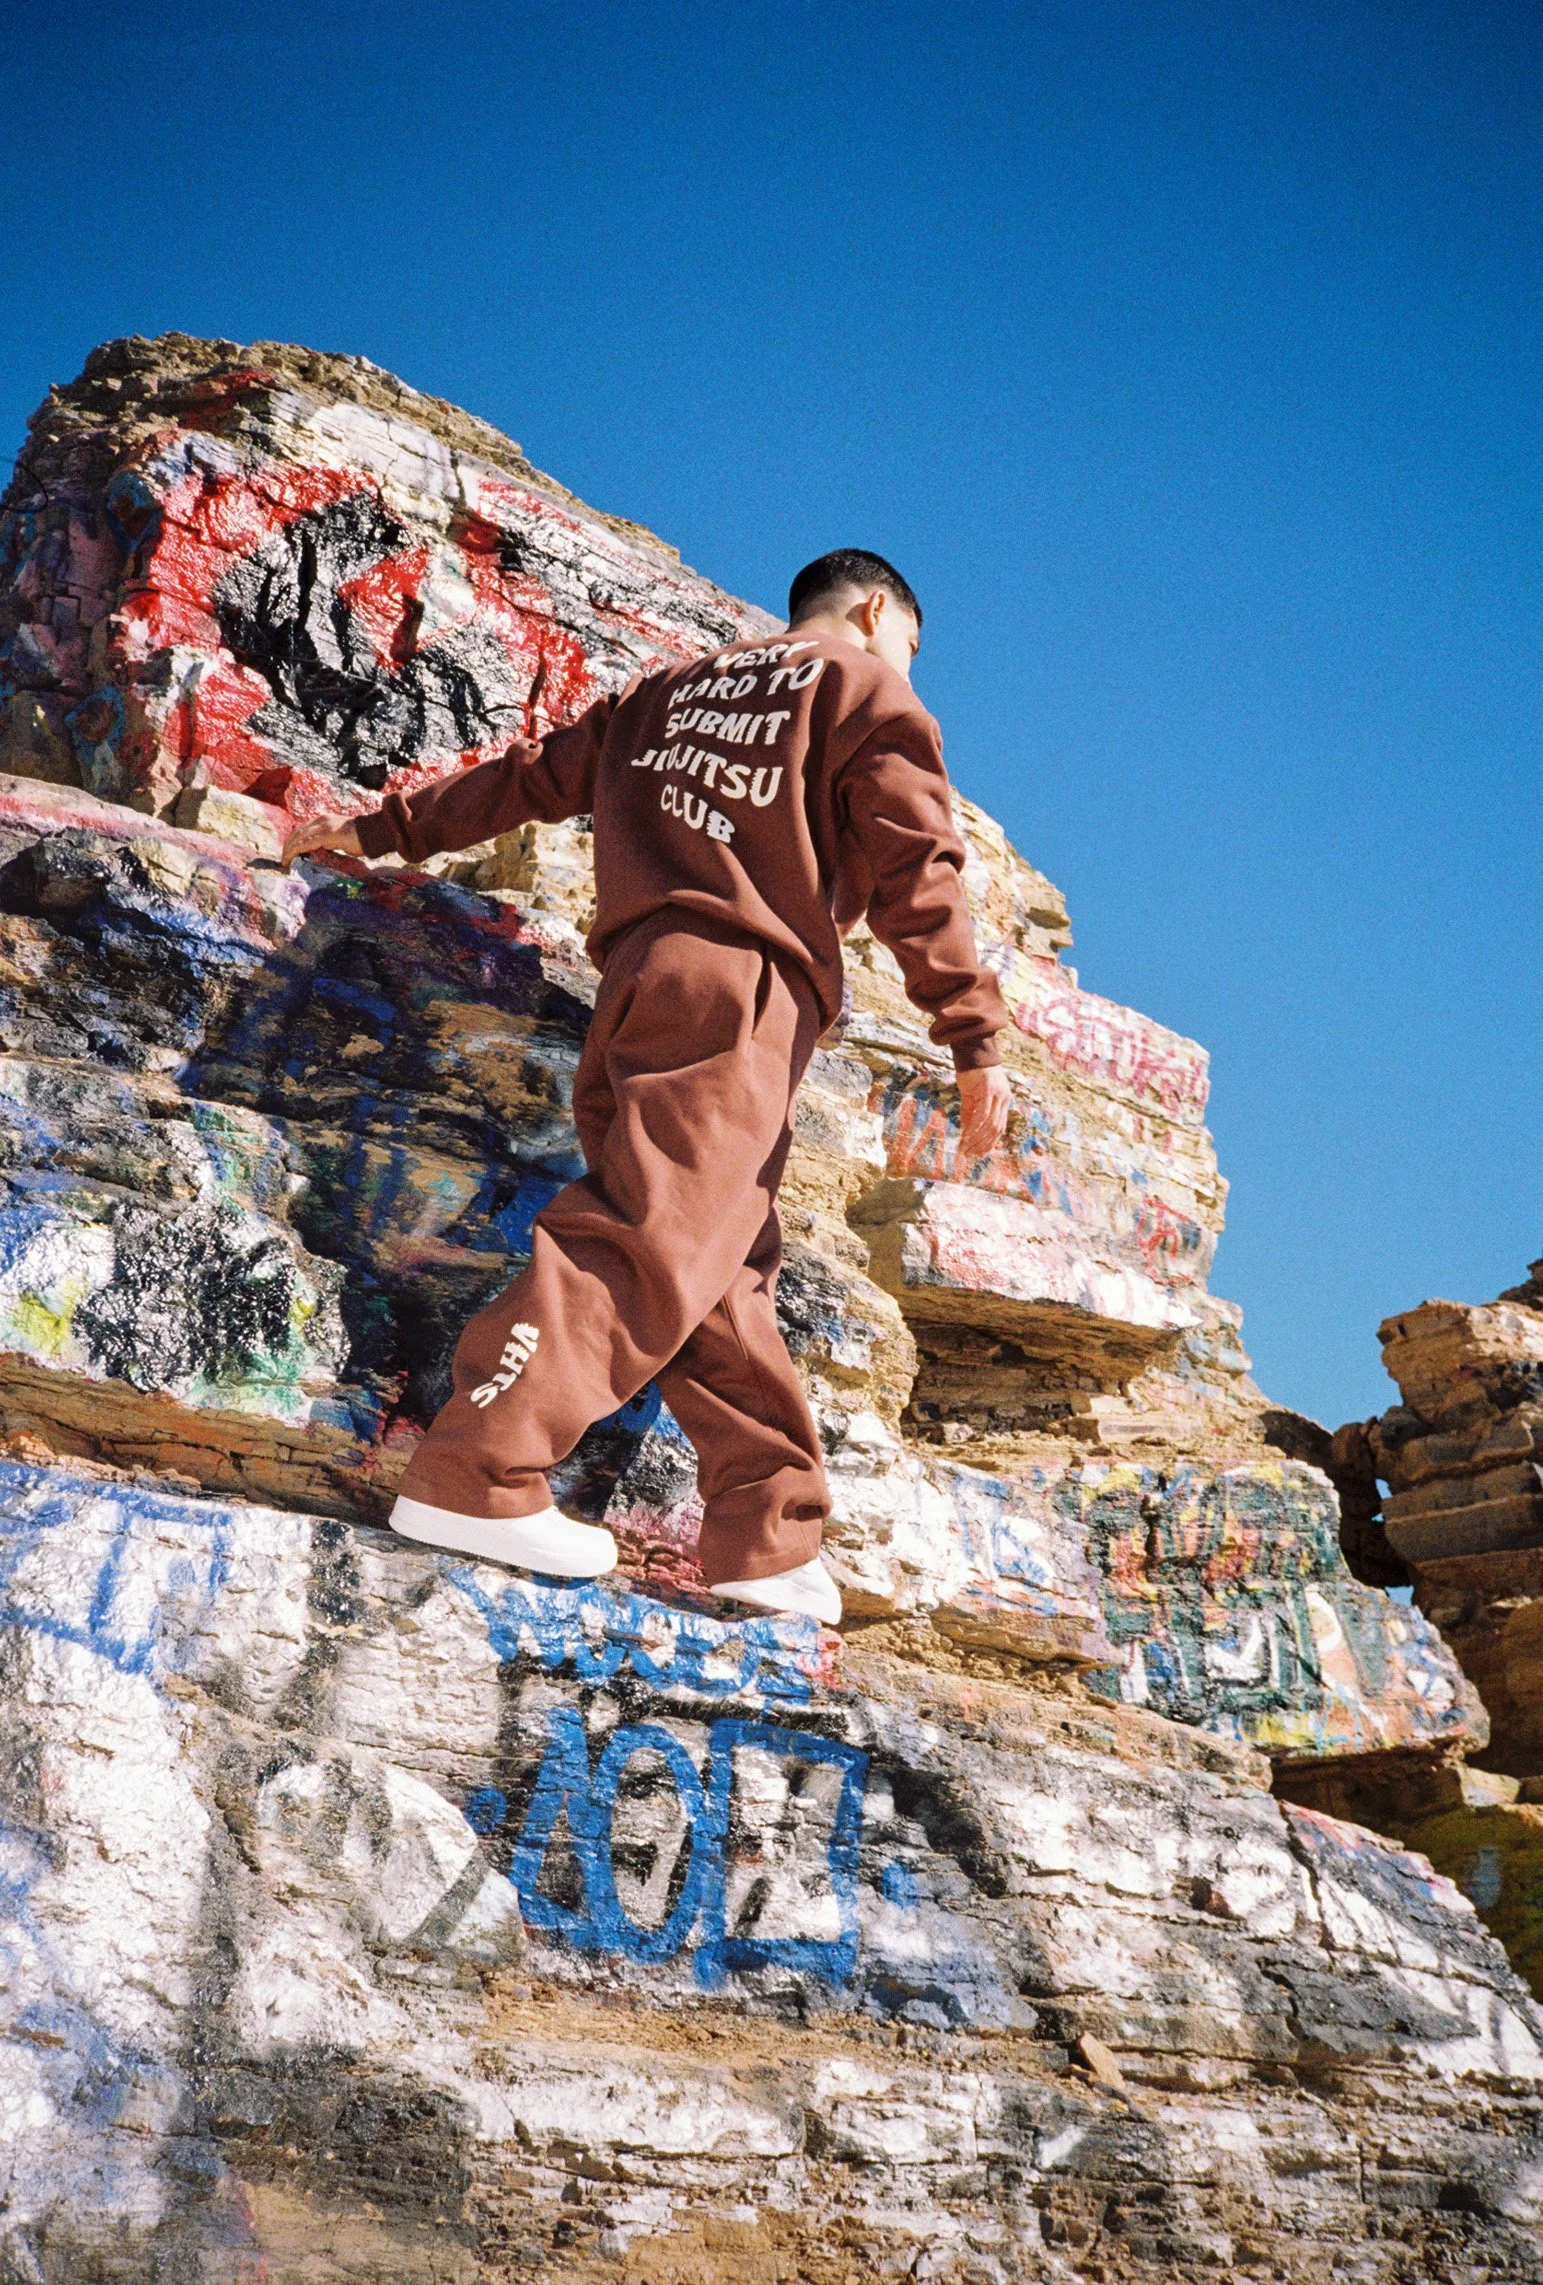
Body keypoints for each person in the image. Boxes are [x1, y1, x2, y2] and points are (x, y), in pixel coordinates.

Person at [283, 550, 1012, 1623]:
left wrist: (384, 832)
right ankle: (478, 1469)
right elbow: (917, 863)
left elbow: (526, 774)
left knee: (720, 1256)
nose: (910, 665)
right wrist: (973, 1031)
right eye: (911, 644)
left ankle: (764, 1535)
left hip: (638, 979)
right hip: (742, 984)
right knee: (652, 1229)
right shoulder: (865, 689)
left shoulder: (664, 693)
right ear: (873, 614)